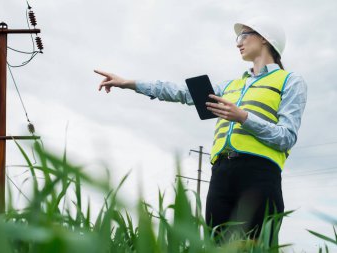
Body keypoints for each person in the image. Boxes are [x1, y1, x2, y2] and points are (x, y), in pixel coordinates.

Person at [94, 16, 307, 241]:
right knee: (216, 245)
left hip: (259, 175)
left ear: (264, 39)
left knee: (256, 245)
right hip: (221, 175)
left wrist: (243, 117)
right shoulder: (230, 86)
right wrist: (130, 83)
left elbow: (287, 137)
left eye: (244, 35)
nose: (238, 43)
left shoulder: (290, 81)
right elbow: (181, 92)